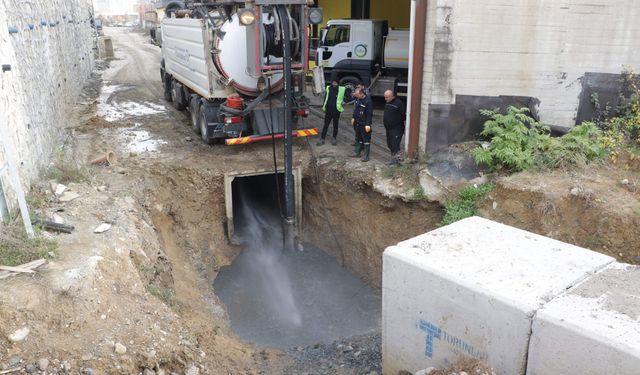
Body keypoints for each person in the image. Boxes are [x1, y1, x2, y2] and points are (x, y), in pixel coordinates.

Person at [317, 78, 346, 146]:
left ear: (338, 83)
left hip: (336, 111)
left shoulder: (342, 89)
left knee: (335, 125)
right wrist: (324, 106)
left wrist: (345, 101)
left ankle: (334, 138)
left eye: (335, 83)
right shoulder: (328, 88)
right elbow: (326, 98)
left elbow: (349, 96)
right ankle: (322, 139)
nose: (334, 84)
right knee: (326, 125)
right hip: (328, 110)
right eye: (333, 83)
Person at [383, 90, 406, 165]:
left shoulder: (399, 103)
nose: (385, 99)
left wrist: (396, 122)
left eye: (386, 97)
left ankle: (396, 162)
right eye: (385, 97)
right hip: (388, 129)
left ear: (391, 96)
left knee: (395, 145)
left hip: (397, 128)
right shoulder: (388, 103)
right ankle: (393, 160)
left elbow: (404, 115)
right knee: (390, 145)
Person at [351, 88, 374, 162]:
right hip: (358, 122)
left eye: (357, 95)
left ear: (361, 93)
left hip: (364, 124)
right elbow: (356, 110)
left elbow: (369, 114)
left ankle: (366, 156)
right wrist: (353, 118)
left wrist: (368, 124)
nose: (356, 96)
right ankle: (357, 152)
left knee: (366, 140)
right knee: (358, 138)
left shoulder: (368, 101)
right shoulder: (358, 99)